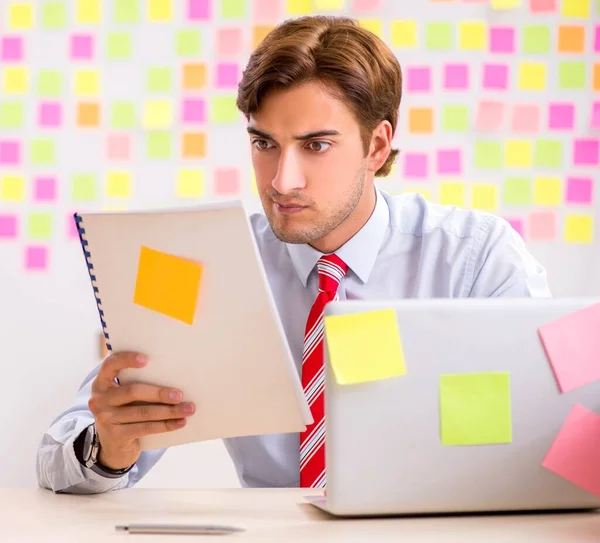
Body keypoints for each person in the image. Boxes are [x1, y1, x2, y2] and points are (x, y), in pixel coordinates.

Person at [37, 15, 551, 494]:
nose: (282, 181)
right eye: (264, 144)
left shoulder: (475, 259)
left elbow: (542, 428)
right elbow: (58, 456)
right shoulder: (203, 267)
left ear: (377, 145)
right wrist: (108, 447)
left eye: (316, 146)